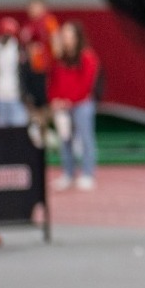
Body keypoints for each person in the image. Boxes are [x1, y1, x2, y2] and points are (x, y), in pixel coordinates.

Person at [48, 20, 101, 190]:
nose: (66, 38)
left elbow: (86, 84)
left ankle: (87, 174)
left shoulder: (88, 56)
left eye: (69, 35)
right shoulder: (58, 58)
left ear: (78, 37)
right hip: (62, 107)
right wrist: (55, 99)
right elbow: (53, 82)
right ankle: (68, 174)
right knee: (65, 140)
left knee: (86, 139)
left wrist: (70, 100)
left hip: (82, 105)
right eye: (64, 35)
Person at [18, 0, 59, 147]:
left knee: (47, 103)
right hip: (31, 69)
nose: (32, 9)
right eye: (31, 7)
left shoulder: (49, 21)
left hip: (45, 69)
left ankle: (46, 130)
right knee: (33, 103)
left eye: (36, 6)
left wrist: (54, 63)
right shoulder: (28, 26)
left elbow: (55, 41)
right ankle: (41, 131)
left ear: (43, 7)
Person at [0, 17, 31, 128]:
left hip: (15, 95)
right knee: (1, 131)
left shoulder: (17, 47)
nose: (7, 37)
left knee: (20, 128)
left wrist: (26, 94)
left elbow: (24, 73)